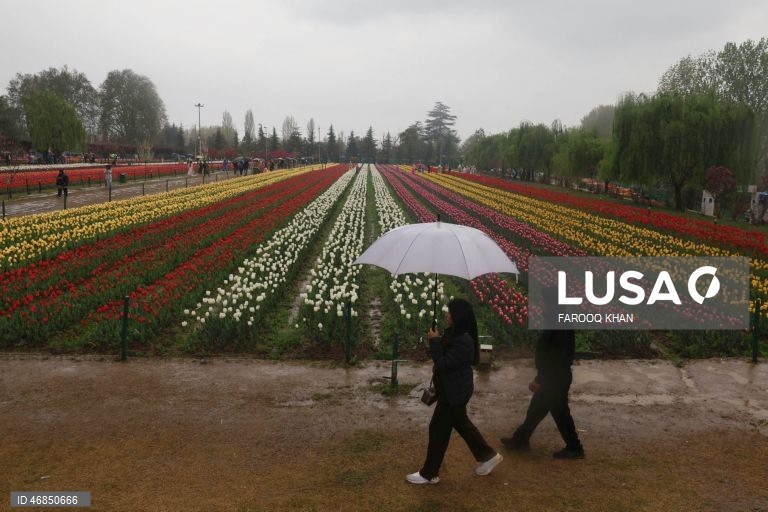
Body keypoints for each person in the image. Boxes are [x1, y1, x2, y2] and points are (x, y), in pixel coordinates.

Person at [407, 298, 502, 485]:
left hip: (454, 394)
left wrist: (435, 342)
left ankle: (429, 474)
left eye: (449, 312)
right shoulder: (454, 333)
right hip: (452, 390)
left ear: (458, 316)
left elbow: (444, 363)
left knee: (438, 430)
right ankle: (488, 456)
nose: (446, 314)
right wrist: (435, 339)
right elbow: (442, 356)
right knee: (462, 424)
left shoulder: (463, 340)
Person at [500, 288, 584, 459]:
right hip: (553, 376)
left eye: (544, 302)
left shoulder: (559, 325)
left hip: (555, 378)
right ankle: (520, 439)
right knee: (537, 409)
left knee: (560, 412)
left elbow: (555, 358)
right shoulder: (557, 320)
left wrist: (540, 379)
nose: (541, 305)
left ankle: (575, 448)